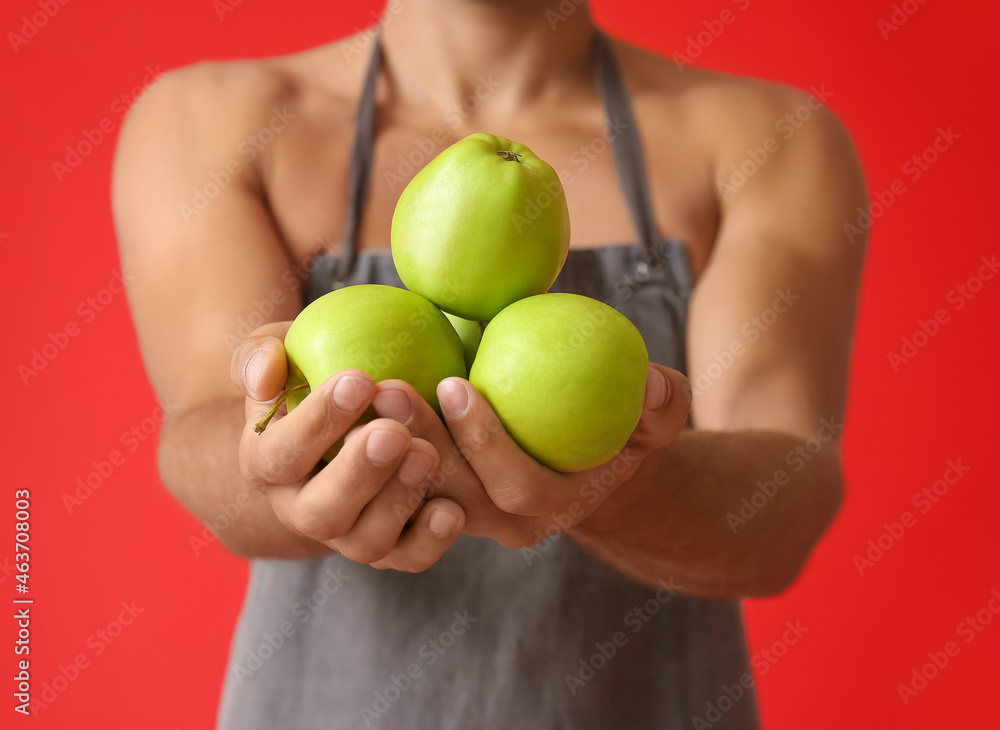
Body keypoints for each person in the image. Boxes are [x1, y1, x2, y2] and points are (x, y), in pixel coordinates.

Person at [112, 0, 866, 727]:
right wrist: (276, 462)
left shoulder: (773, 140)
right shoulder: (207, 122)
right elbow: (203, 426)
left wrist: (605, 488)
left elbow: (783, 499)